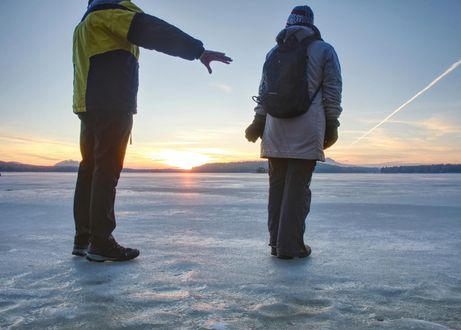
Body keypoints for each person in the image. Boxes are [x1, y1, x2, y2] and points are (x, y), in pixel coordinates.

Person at [72, 0, 232, 262]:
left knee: (89, 168)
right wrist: (197, 51)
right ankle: (100, 242)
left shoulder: (84, 24)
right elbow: (153, 31)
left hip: (88, 104)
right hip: (111, 102)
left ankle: (85, 238)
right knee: (105, 169)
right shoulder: (109, 14)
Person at [245, 5, 342, 259]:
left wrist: (258, 121)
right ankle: (292, 245)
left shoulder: (273, 52)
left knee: (276, 188)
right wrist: (332, 124)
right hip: (307, 128)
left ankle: (277, 244)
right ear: (310, 24)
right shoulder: (324, 50)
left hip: (274, 129)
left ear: (288, 23)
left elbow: (264, 90)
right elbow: (332, 90)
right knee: (298, 189)